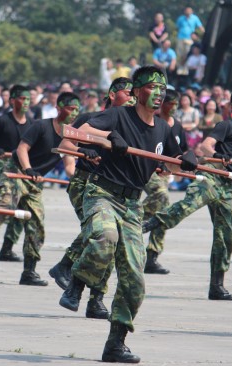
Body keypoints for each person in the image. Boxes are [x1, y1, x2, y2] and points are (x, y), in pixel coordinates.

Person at [58, 65, 196, 363]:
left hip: (132, 203)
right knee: (104, 236)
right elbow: (79, 133)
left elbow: (169, 164)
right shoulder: (120, 115)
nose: (158, 93)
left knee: (135, 278)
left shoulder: (163, 128)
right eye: (151, 87)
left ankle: (115, 343)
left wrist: (186, 161)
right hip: (103, 193)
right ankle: (77, 281)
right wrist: (108, 136)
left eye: (162, 88)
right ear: (135, 92)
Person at [0, 92, 78, 286]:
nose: (74, 113)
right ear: (59, 108)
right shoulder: (41, 126)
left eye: (77, 109)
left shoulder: (70, 136)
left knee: (36, 223)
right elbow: (21, 149)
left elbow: (69, 167)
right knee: (7, 204)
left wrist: (80, 176)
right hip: (16, 171)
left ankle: (29, 272)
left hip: (34, 182)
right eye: (70, 108)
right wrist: (28, 169)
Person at [143, 88, 232, 300]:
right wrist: (218, 156)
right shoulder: (226, 126)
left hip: (227, 189)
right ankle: (153, 222)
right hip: (211, 178)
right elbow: (205, 146)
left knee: (226, 237)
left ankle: (216, 286)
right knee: (188, 205)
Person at [50, 77, 136, 319]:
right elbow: (66, 141)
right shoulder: (92, 118)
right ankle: (87, 289)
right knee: (102, 235)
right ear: (112, 95)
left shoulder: (132, 124)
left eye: (134, 94)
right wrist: (82, 150)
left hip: (113, 189)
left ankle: (87, 288)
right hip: (85, 182)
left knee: (108, 238)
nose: (131, 98)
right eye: (127, 93)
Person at [0, 85, 33, 262]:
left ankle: (7, 249)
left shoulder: (32, 124)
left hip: (21, 169)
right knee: (8, 202)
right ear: (12, 101)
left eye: (28, 99)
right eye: (21, 98)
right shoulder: (2, 120)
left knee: (20, 211)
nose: (25, 102)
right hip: (3, 167)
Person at [142, 89, 190, 274]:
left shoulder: (177, 126)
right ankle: (134, 219)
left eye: (177, 104)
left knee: (162, 211)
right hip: (150, 170)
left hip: (166, 173)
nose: (174, 107)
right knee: (161, 196)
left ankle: (152, 256)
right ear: (162, 104)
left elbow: (181, 151)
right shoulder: (154, 122)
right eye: (171, 103)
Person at [175, 6, 204, 75]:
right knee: (180, 54)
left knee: (188, 53)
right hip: (181, 38)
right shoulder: (181, 18)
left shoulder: (195, 18)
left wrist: (204, 33)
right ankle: (180, 68)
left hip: (189, 38)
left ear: (192, 11)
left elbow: (200, 26)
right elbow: (177, 27)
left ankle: (186, 69)